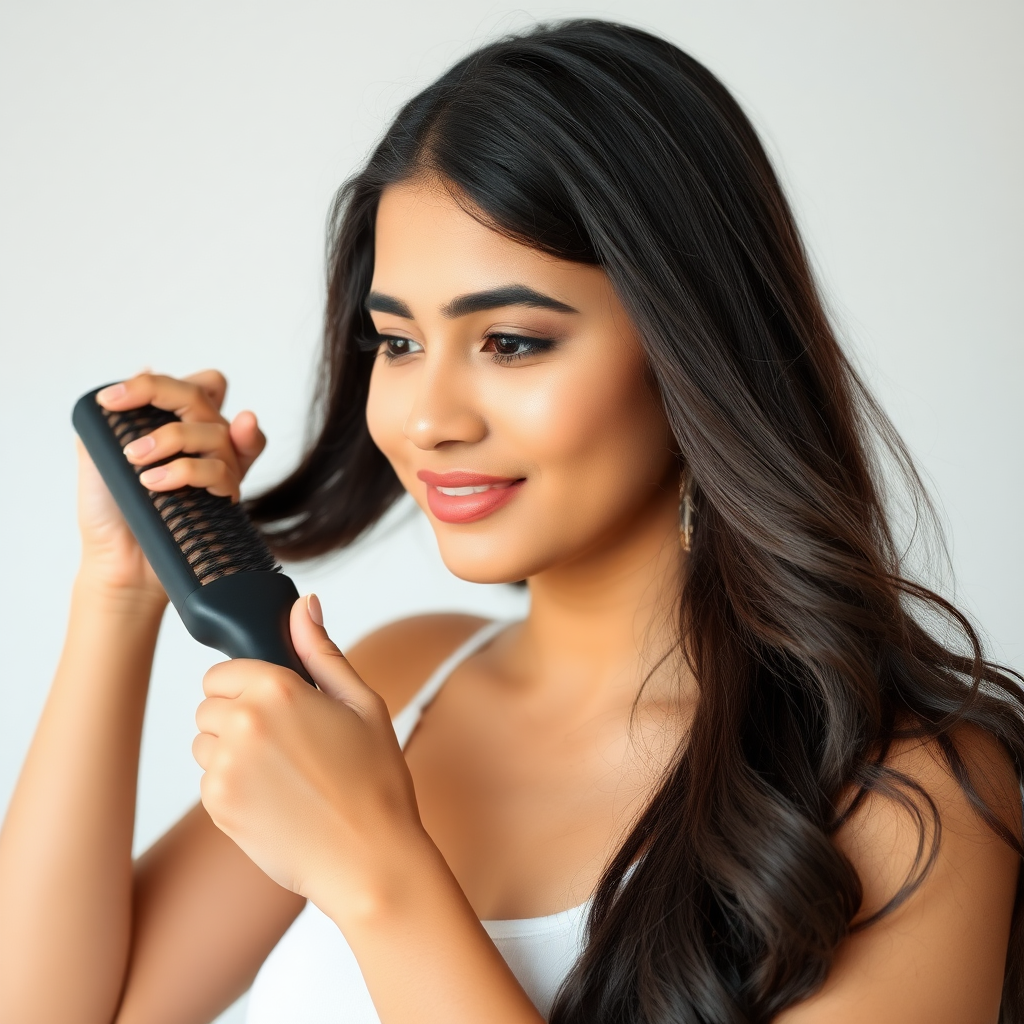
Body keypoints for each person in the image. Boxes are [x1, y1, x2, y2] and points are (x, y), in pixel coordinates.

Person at [0, 19, 1021, 1024]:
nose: (429, 418)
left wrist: (377, 871)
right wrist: (119, 590)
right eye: (395, 343)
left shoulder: (906, 798)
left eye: (512, 342)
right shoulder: (393, 689)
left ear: (691, 344)